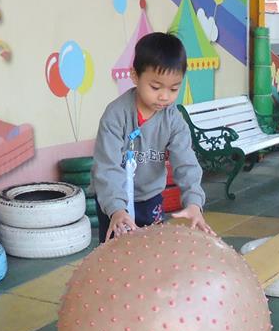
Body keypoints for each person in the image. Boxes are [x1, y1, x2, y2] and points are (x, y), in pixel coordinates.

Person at [90, 32, 212, 242]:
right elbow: (107, 167)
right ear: (135, 76)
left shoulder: (173, 119)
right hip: (114, 200)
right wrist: (116, 209)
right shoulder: (115, 115)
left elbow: (186, 162)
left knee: (152, 249)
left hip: (150, 198)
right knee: (116, 253)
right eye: (155, 87)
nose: (164, 96)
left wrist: (194, 203)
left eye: (174, 88)